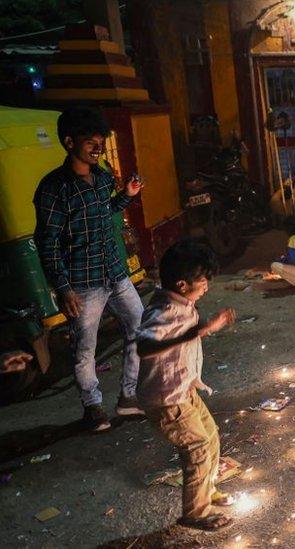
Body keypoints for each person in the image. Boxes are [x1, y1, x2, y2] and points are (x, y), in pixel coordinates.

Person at [33, 107, 145, 431]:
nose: (97, 147)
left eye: (100, 141)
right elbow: (47, 241)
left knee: (139, 327)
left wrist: (126, 196)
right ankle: (93, 407)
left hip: (114, 271)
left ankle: (128, 398)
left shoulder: (102, 179)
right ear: (69, 142)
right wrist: (63, 288)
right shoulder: (54, 189)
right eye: (90, 142)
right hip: (83, 283)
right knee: (85, 348)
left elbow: (103, 211)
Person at [136, 241, 236, 531]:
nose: (206, 288)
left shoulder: (184, 303)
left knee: (211, 436)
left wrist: (207, 326)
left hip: (184, 388)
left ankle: (207, 489)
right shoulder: (163, 310)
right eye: (203, 282)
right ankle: (196, 512)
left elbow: (187, 331)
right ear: (182, 284)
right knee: (198, 447)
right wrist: (200, 331)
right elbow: (144, 347)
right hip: (167, 398)